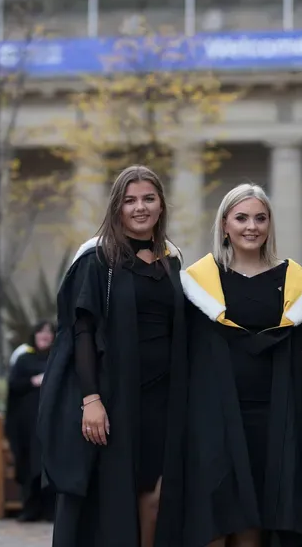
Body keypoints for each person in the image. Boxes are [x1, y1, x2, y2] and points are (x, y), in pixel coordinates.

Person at [38, 165, 189, 547]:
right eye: (130, 200)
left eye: (148, 199)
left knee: (154, 495)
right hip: (114, 397)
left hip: (163, 398)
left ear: (161, 205)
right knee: (111, 497)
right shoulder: (98, 258)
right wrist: (91, 399)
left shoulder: (173, 262)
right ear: (116, 208)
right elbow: (81, 330)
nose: (140, 208)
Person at [175, 183, 302, 547]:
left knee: (257, 515)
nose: (251, 226)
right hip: (215, 414)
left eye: (260, 218)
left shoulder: (293, 280)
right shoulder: (200, 280)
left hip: (273, 416)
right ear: (224, 223)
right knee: (214, 513)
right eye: (241, 218)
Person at [5, 320, 56, 522]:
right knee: (29, 464)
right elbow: (14, 386)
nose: (45, 335)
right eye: (41, 332)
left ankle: (51, 510)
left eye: (49, 332)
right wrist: (33, 381)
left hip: (51, 424)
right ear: (34, 335)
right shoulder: (24, 359)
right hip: (27, 425)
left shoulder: (57, 357)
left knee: (49, 463)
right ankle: (30, 508)